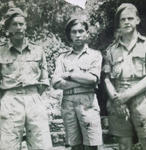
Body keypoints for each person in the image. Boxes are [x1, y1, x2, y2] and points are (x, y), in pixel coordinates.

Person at [0, 7, 52, 150]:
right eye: (14, 24)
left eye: (21, 24)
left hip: (34, 98)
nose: (18, 28)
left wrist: (32, 95)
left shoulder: (38, 50)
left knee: (41, 144)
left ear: (25, 26)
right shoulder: (0, 51)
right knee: (8, 146)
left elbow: (44, 79)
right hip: (10, 99)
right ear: (8, 28)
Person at [52, 14, 103, 150]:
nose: (78, 35)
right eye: (74, 32)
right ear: (69, 35)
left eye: (81, 31)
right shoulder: (62, 58)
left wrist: (68, 75)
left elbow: (93, 79)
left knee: (91, 145)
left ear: (86, 33)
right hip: (68, 103)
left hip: (88, 102)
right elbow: (55, 82)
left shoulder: (95, 55)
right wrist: (82, 79)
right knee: (75, 146)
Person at [104, 3, 146, 150]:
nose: (126, 22)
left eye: (130, 18)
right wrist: (117, 100)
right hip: (118, 102)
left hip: (143, 100)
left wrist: (127, 95)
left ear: (137, 20)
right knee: (124, 146)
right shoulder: (111, 50)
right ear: (119, 23)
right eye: (123, 19)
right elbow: (106, 78)